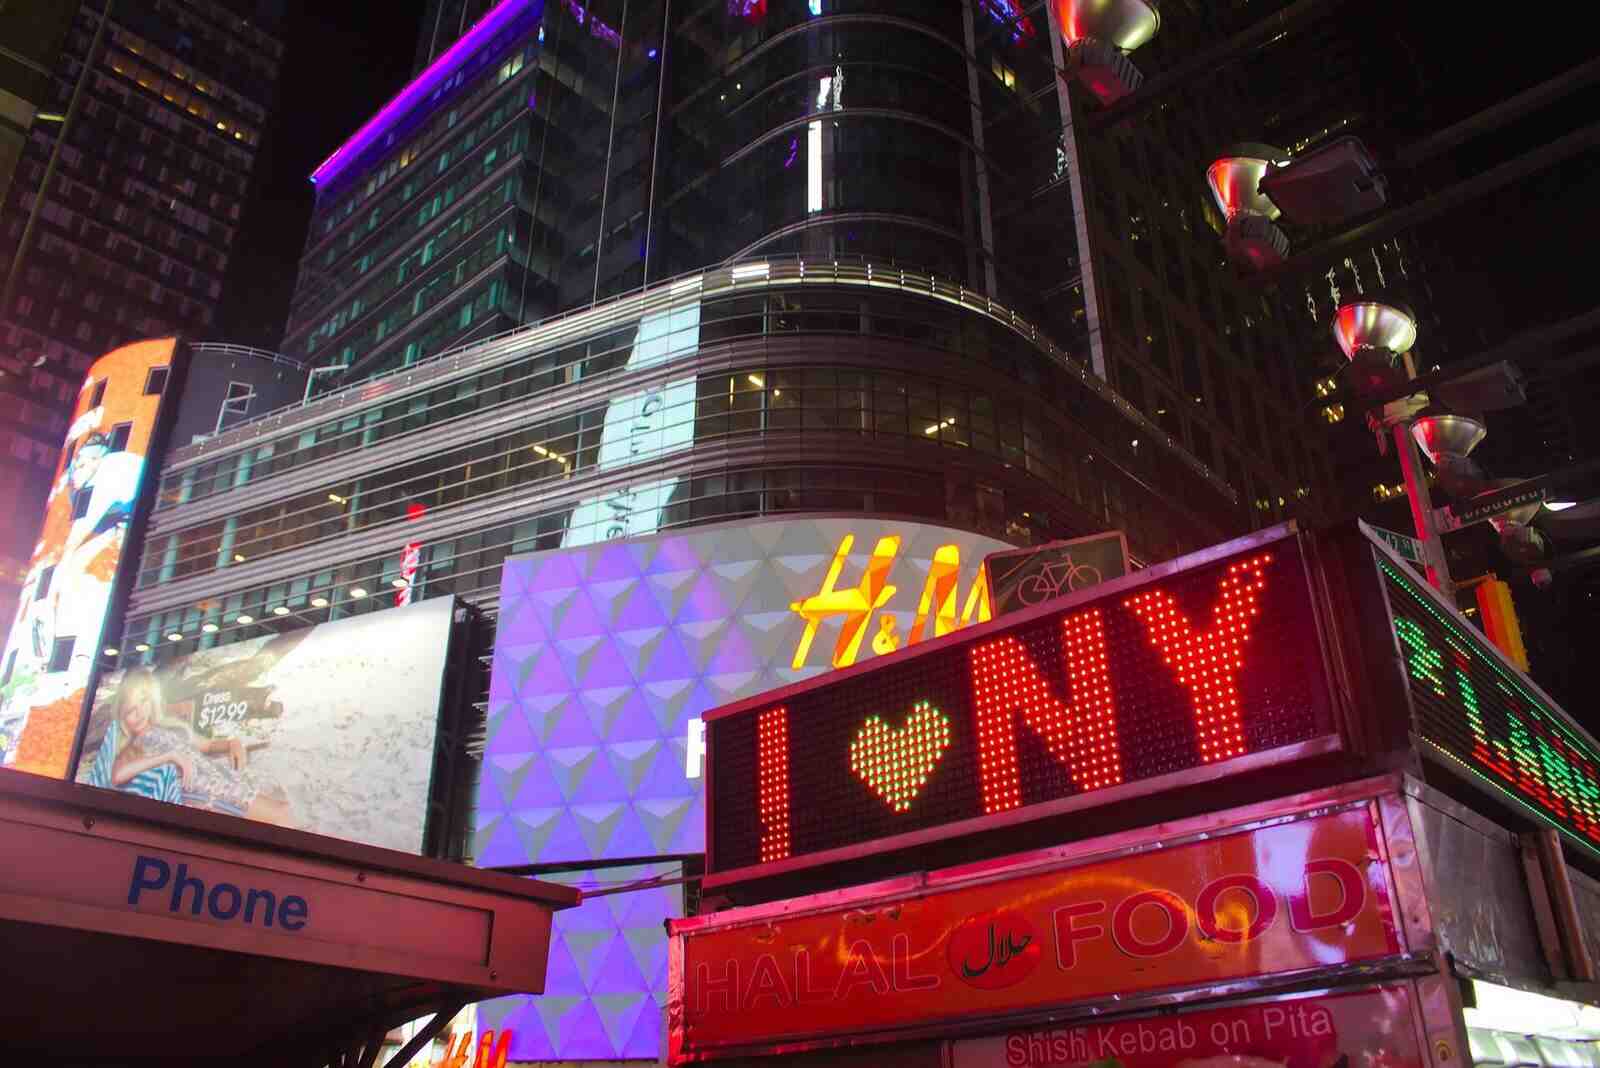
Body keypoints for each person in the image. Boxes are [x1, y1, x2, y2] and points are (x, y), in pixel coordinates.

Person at [85, 668, 293, 826]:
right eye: (131, 710)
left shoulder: (170, 726)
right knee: (279, 816)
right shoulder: (134, 744)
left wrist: (231, 742)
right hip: (203, 791)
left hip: (221, 777)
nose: (139, 714)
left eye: (143, 702)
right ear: (121, 714)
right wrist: (168, 757)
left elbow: (207, 745)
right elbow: (117, 775)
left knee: (283, 807)